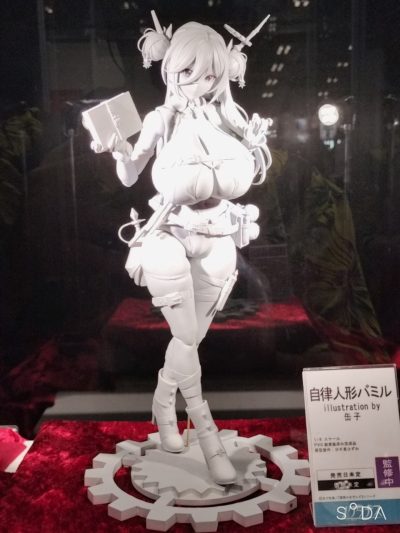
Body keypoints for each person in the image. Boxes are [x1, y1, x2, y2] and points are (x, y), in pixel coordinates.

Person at [92, 13, 271, 485]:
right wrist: (119, 151)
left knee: (188, 340)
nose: (200, 82)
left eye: (210, 74)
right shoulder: (161, 119)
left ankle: (162, 402)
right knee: (187, 335)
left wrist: (254, 148)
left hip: (218, 236)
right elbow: (130, 174)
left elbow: (252, 174)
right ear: (170, 67)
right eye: (190, 71)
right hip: (168, 232)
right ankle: (206, 433)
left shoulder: (229, 117)